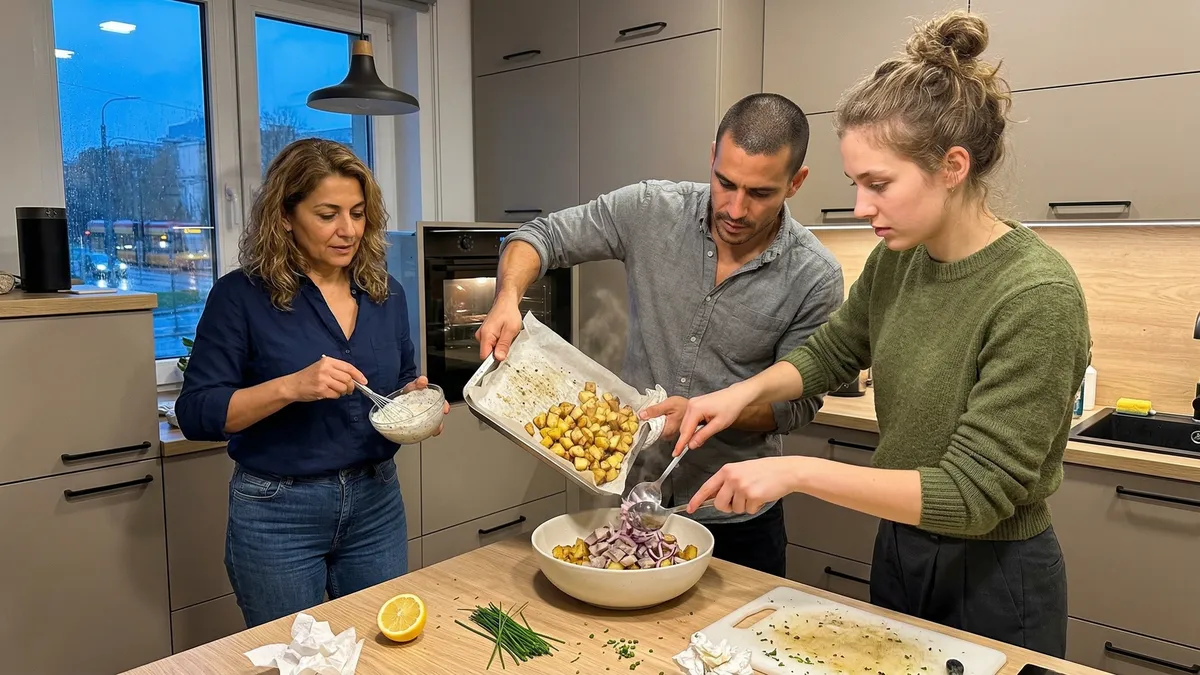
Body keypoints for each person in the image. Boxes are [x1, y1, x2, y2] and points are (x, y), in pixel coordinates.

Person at [672, 11, 1090, 657]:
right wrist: (737, 395)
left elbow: (973, 495)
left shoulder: (1036, 295)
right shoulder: (900, 258)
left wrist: (796, 470)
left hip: (995, 575)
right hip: (899, 543)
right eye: (856, 184)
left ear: (952, 166)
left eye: (879, 184)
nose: (861, 206)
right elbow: (833, 350)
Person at [475, 93, 844, 577]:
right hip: (633, 500)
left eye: (759, 193)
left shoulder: (814, 276)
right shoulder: (652, 209)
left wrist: (703, 411)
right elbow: (541, 237)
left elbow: (796, 406)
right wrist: (507, 297)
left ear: (796, 182)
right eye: (725, 182)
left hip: (734, 513)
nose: (735, 209)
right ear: (712, 156)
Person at [175, 139, 448, 627]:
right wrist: (291, 387)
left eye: (358, 214)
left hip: (376, 502)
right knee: (294, 655)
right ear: (284, 216)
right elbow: (196, 413)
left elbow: (401, 380)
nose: (349, 230)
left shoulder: (386, 293)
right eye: (328, 215)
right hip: (278, 513)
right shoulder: (240, 297)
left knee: (383, 646)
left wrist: (412, 402)